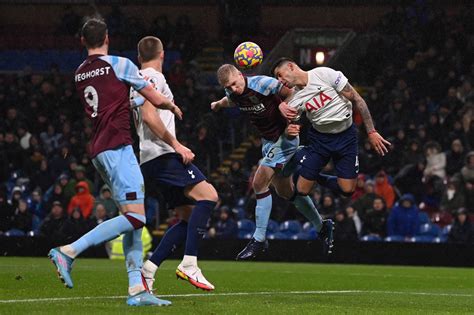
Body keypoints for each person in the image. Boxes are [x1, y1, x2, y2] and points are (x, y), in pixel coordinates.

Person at [48, 18, 181, 307]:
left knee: (130, 216)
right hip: (118, 148)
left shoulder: (80, 72)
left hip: (99, 149)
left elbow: (113, 104)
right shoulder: (119, 64)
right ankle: (68, 251)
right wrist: (170, 104)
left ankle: (136, 289)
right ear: (107, 37)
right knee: (136, 218)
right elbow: (153, 99)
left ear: (83, 41)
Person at [211, 64, 328, 259]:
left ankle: (259, 239)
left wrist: (289, 114)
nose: (233, 89)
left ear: (240, 75)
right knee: (285, 191)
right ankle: (321, 225)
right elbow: (230, 100)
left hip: (286, 136)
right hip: (269, 141)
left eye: (234, 84)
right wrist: (218, 104)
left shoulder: (263, 83)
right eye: (228, 87)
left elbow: (293, 92)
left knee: (259, 181)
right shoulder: (232, 92)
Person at [130, 36, 218, 291]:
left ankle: (148, 270)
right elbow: (148, 116)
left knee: (188, 217)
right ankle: (190, 263)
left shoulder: (136, 78)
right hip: (162, 154)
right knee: (209, 196)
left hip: (149, 157)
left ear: (139, 56)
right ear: (162, 54)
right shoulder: (153, 78)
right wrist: (177, 145)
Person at [272, 58, 390, 211]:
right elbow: (288, 127)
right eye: (277, 79)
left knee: (347, 190)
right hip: (320, 140)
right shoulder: (294, 99)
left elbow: (357, 99)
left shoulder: (324, 74)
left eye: (280, 75)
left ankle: (313, 172)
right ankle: (300, 154)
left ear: (290, 66)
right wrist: (288, 131)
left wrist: (371, 131)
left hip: (346, 137)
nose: (280, 81)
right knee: (302, 190)